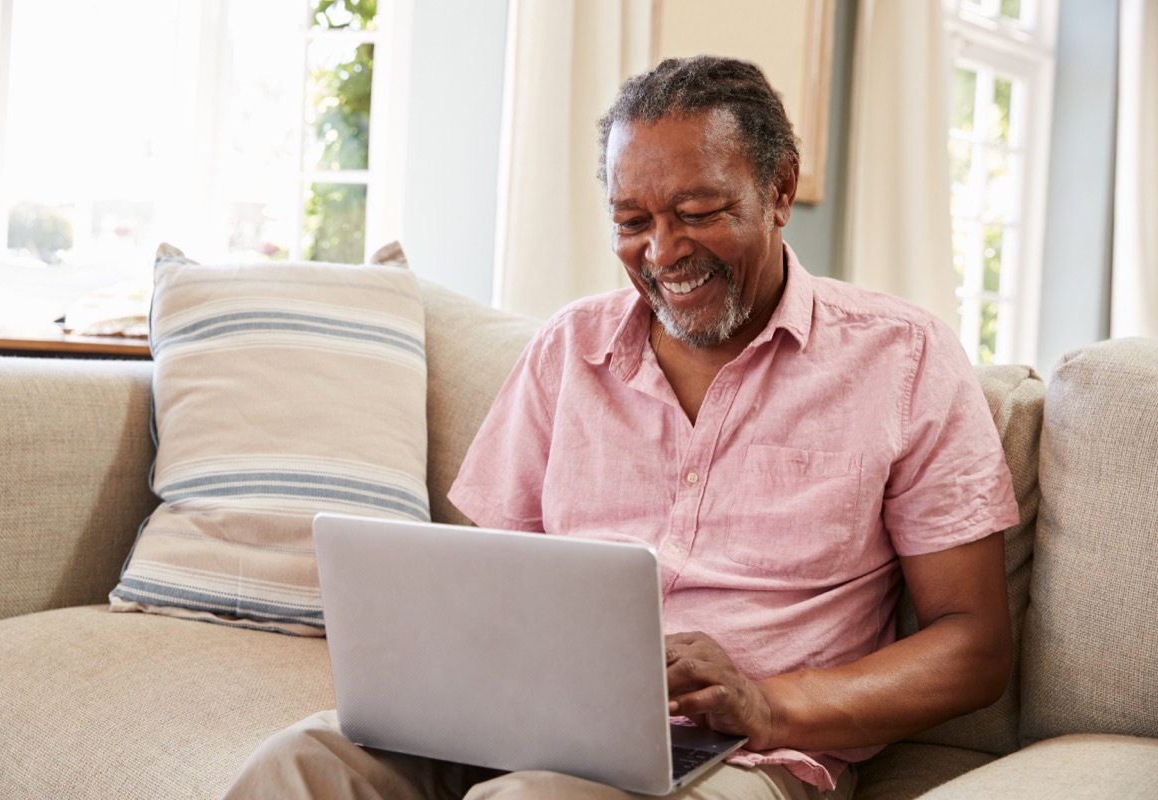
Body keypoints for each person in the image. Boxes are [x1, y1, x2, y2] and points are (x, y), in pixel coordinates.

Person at [225, 55, 1019, 800]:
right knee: (299, 763)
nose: (663, 252)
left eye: (698, 212)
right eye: (632, 220)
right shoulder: (570, 348)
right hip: (533, 716)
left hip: (742, 754)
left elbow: (975, 646)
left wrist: (766, 703)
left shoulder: (903, 358)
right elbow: (483, 584)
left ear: (779, 189)